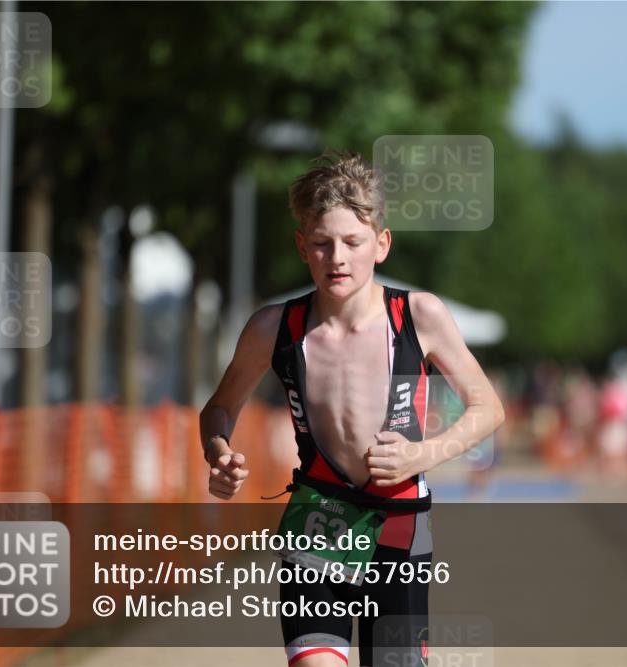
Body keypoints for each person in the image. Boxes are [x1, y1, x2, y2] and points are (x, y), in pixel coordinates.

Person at [199, 151, 505, 667]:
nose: (336, 257)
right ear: (302, 246)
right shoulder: (274, 327)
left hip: (399, 523)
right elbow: (219, 408)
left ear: (381, 244)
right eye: (321, 244)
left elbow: (487, 407)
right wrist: (218, 450)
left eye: (352, 243)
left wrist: (421, 455)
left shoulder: (419, 315)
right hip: (319, 516)